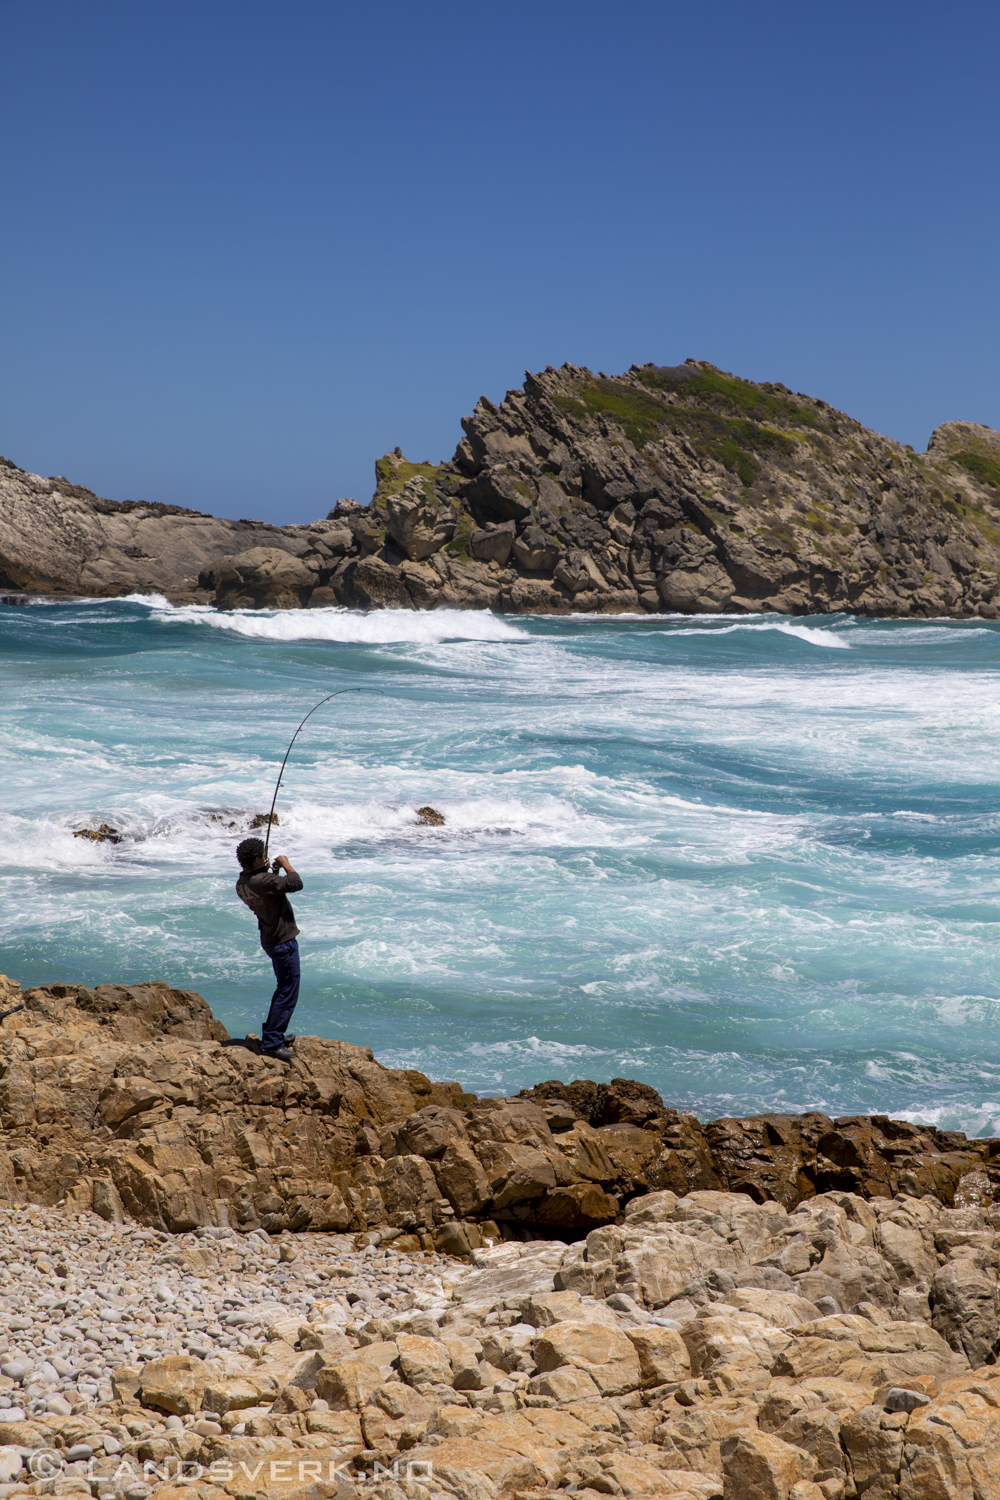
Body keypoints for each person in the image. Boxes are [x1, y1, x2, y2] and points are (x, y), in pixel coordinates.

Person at [235, 837, 303, 1062]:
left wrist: (269, 870)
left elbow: (269, 888)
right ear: (255, 859)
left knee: (282, 988)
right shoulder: (263, 881)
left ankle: (275, 1034)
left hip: (270, 939)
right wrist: (285, 864)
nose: (265, 857)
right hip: (283, 942)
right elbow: (295, 883)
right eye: (262, 855)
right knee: (287, 992)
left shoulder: (242, 884)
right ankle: (272, 1042)